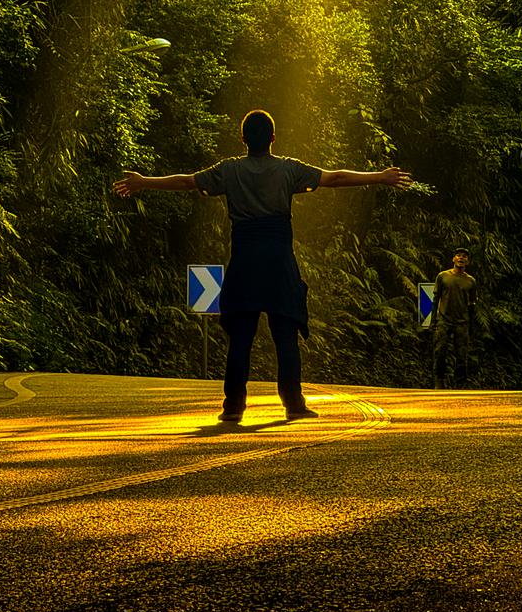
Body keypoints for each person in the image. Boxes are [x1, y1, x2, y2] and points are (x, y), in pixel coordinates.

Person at [112, 109, 412, 422]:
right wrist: (380, 176)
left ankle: (233, 405)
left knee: (241, 334)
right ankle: (293, 402)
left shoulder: (229, 170)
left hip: (245, 257)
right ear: (272, 138)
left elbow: (188, 182)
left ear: (242, 139)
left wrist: (144, 181)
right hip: (278, 257)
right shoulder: (288, 169)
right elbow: (333, 178)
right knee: (285, 331)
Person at [433, 248, 478, 389]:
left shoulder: (471, 281)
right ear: (453, 259)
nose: (461, 258)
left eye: (464, 256)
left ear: (467, 261)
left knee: (461, 355)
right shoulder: (443, 276)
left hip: (462, 322)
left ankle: (460, 385)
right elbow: (436, 298)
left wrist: (471, 325)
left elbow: (472, 304)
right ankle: (439, 381)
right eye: (458, 255)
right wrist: (433, 320)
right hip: (444, 320)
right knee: (440, 351)